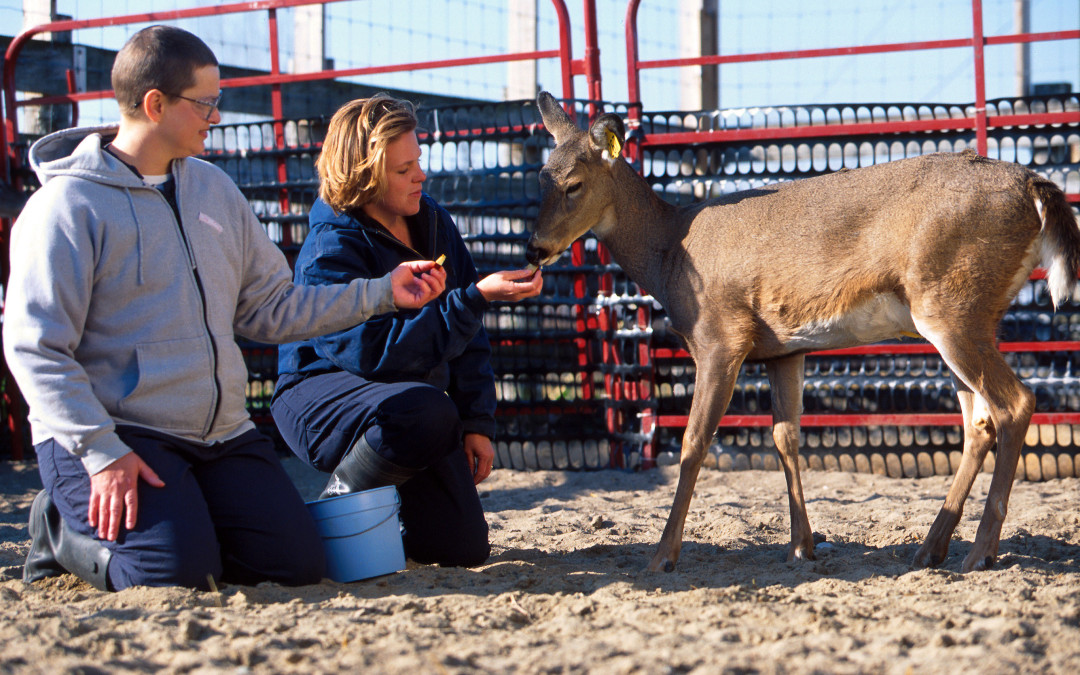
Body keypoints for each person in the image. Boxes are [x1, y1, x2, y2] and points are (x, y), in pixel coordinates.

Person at [2, 26, 446, 592]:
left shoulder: (213, 190)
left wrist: (384, 291)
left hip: (219, 432)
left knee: (295, 565)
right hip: (116, 433)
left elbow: (271, 309)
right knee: (170, 575)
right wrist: (100, 452)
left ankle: (189, 522)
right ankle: (60, 529)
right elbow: (35, 347)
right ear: (155, 104)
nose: (216, 115)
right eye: (206, 103)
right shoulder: (65, 206)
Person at [271, 95, 543, 567]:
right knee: (424, 410)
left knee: (461, 550)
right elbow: (374, 354)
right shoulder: (328, 247)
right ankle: (337, 508)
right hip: (320, 399)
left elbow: (468, 332)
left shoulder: (433, 219)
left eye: (418, 161)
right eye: (403, 169)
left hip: (414, 403)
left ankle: (389, 508)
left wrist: (477, 422)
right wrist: (475, 299)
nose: (420, 175)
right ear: (365, 173)